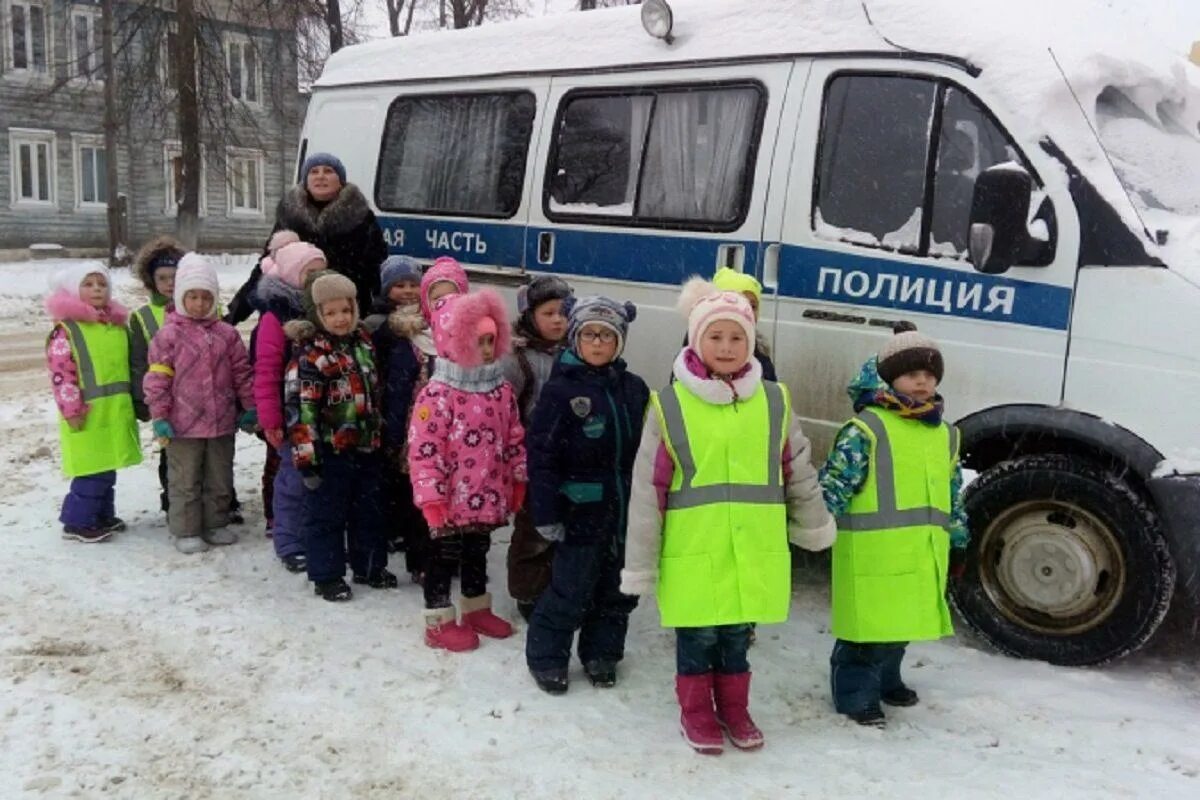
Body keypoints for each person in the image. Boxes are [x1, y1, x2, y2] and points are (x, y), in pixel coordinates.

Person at [621, 277, 835, 755]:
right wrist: (641, 560)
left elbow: (797, 468)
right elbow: (647, 491)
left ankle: (735, 709)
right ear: (697, 340)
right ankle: (696, 712)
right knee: (697, 637)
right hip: (695, 549)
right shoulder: (670, 405)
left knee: (737, 638)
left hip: (752, 550)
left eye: (737, 337)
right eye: (715, 336)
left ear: (751, 343)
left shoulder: (775, 401)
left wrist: (813, 522)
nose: (726, 346)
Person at [819, 322, 968, 728]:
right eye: (910, 374)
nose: (921, 382)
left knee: (901, 625)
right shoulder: (867, 428)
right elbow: (836, 482)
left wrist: (958, 535)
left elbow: (952, 490)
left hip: (921, 549)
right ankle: (854, 695)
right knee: (866, 630)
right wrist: (815, 524)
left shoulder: (946, 435)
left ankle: (887, 680)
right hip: (873, 550)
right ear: (888, 379)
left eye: (929, 374)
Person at [524, 296, 648, 694]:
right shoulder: (560, 391)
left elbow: (649, 452)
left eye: (608, 336)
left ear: (620, 343)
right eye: (590, 334)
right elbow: (541, 455)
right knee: (570, 589)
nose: (598, 343)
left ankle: (601, 654)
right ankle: (547, 657)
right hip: (579, 510)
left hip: (623, 510)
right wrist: (546, 511)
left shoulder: (634, 389)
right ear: (576, 338)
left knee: (617, 590)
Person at [408, 290, 527, 652]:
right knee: (443, 557)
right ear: (455, 342)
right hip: (447, 500)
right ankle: (438, 618)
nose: (488, 350)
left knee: (478, 550)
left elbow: (513, 438)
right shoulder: (437, 394)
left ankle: (476, 607)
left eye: (492, 341)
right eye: (479, 342)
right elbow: (424, 451)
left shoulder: (500, 390)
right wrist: (431, 499)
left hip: (486, 495)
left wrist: (518, 478)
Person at [285, 270, 391, 601]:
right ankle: (328, 575)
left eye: (345, 310)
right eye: (330, 313)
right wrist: (307, 459)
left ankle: (369, 565)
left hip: (366, 447)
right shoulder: (310, 355)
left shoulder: (363, 343)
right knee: (326, 516)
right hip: (330, 452)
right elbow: (301, 411)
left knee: (369, 511)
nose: (340, 318)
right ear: (318, 315)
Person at [144, 255, 258, 554]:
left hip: (222, 423)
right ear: (181, 297)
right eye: (192, 296)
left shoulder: (227, 335)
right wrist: (159, 415)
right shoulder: (168, 335)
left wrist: (249, 407)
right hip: (182, 425)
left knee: (219, 478)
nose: (199, 303)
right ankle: (186, 529)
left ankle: (215, 523)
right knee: (185, 480)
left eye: (206, 297)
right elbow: (157, 378)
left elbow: (242, 374)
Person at [225, 152, 387, 326]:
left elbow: (375, 269)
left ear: (341, 180)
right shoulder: (291, 216)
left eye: (328, 171)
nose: (321, 176)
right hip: (294, 312)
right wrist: (233, 315)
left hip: (342, 312)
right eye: (314, 171)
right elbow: (267, 267)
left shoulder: (360, 217)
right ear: (306, 181)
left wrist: (376, 309)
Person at [45, 262, 143, 542]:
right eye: (88, 284)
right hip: (86, 414)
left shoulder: (115, 327)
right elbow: (62, 374)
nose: (96, 289)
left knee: (107, 467)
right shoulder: (67, 330)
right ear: (74, 290)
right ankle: (77, 521)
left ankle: (101, 515)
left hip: (113, 411)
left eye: (101, 284)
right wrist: (71, 409)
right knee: (91, 470)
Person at [502, 274, 574, 621]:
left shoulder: (576, 353)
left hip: (568, 455)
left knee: (562, 524)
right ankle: (528, 591)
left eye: (564, 312)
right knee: (533, 527)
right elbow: (503, 409)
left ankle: (557, 584)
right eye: (549, 313)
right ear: (531, 316)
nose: (558, 319)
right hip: (531, 457)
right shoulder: (517, 359)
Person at [253, 237, 328, 572]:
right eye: (309, 272)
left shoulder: (326, 307)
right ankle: (288, 540)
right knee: (293, 482)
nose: (316, 279)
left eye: (320, 272)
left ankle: (314, 533)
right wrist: (271, 419)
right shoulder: (275, 317)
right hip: (291, 414)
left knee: (320, 479)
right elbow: (266, 371)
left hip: (323, 412)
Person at [366, 255, 429, 580]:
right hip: (393, 406)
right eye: (398, 285)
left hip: (422, 410)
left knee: (417, 478)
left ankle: (411, 533)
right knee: (394, 476)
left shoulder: (431, 321)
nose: (406, 291)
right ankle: (394, 529)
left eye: (412, 284)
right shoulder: (380, 324)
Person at [128, 236, 184, 513]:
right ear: (151, 281)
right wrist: (142, 399)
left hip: (202, 395)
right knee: (170, 451)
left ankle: (222, 499)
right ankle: (172, 499)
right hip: (165, 398)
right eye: (162, 278)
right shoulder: (142, 317)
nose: (170, 283)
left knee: (210, 451)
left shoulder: (202, 305)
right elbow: (139, 362)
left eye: (175, 276)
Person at [710, 266, 776, 381]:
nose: (748, 311)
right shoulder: (695, 357)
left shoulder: (761, 355)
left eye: (753, 306)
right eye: (741, 303)